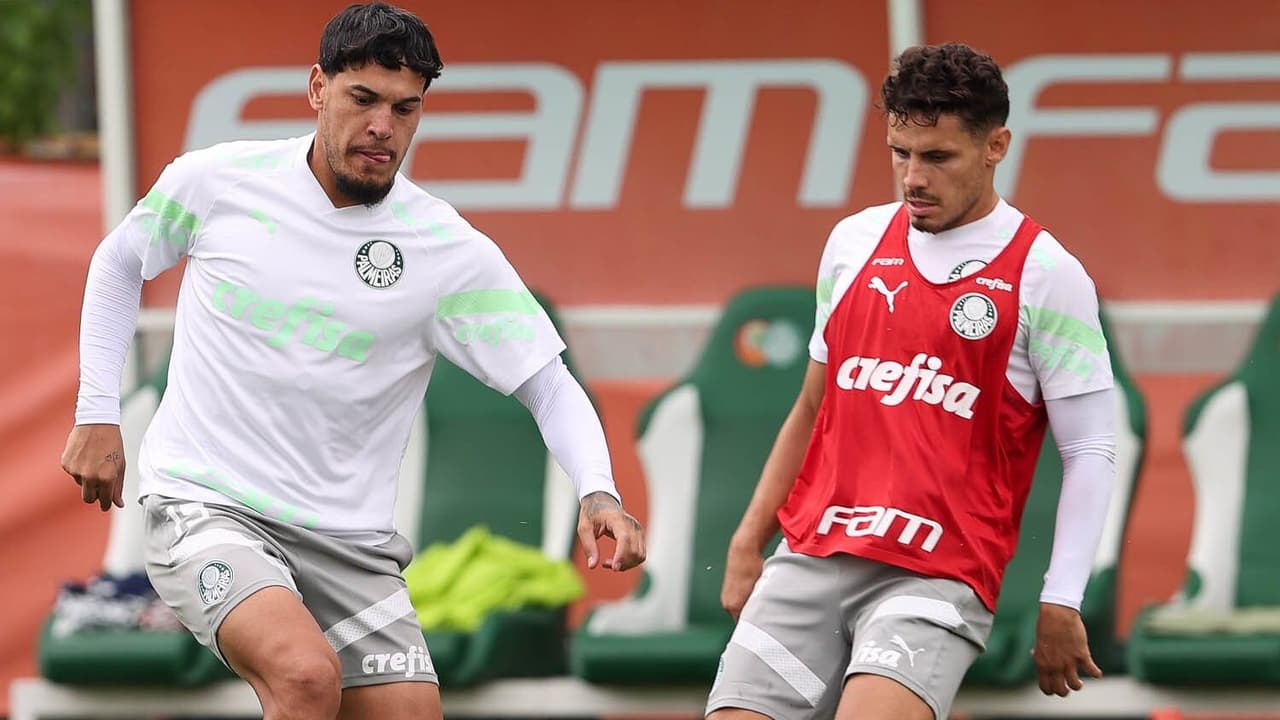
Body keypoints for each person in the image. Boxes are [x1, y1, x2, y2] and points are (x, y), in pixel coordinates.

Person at [59, 3, 646, 719]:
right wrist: (97, 410)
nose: (382, 127)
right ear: (317, 89)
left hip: (351, 547)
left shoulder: (446, 249)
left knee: (407, 712)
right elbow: (119, 261)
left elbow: (548, 384)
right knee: (305, 678)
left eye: (405, 109)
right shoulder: (218, 182)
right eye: (362, 99)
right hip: (206, 507)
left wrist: (599, 490)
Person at [706, 42, 1117, 720]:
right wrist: (750, 539)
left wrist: (1062, 596)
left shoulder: (1047, 273)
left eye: (937, 157)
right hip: (811, 554)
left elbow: (1090, 451)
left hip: (937, 572)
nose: (912, 178)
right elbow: (813, 405)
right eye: (901, 153)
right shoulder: (853, 242)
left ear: (996, 146)